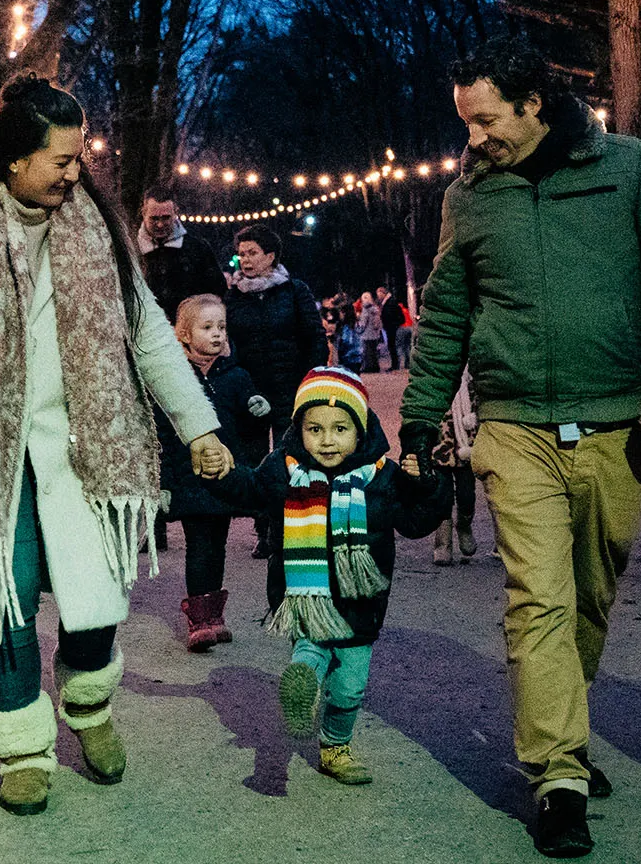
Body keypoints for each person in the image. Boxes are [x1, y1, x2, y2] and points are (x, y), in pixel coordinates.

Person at [399, 36, 641, 858]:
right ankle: (559, 776)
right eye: (466, 123)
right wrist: (419, 420)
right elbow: (442, 317)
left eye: (484, 120)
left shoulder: (629, 167)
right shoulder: (468, 198)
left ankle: (562, 729)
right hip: (514, 427)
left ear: (534, 103)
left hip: (618, 424)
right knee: (537, 597)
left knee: (588, 594)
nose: (473, 139)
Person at [0, 75, 232, 817]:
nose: (76, 174)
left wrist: (199, 426)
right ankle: (24, 746)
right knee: (4, 602)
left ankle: (90, 703)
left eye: (80, 159)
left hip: (88, 448)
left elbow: (149, 335)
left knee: (94, 601)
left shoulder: (96, 226)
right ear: (12, 158)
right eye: (61, 161)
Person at [201, 368, 445, 785]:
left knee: (350, 687)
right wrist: (223, 474)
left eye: (339, 428)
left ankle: (335, 746)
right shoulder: (285, 469)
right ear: (299, 429)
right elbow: (251, 491)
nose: (327, 440)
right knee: (310, 653)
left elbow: (418, 522)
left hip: (361, 604)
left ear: (361, 429)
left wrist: (428, 487)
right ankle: (300, 696)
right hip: (306, 600)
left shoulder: (382, 477)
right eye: (315, 428)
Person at [159, 294, 271, 652]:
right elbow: (161, 429)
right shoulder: (172, 379)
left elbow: (250, 425)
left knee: (217, 545)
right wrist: (163, 482)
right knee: (199, 546)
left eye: (222, 326)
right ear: (183, 335)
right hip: (188, 477)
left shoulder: (236, 375)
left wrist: (258, 408)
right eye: (207, 328)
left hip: (224, 478)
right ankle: (199, 619)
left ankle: (213, 616)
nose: (218, 334)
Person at [225, 224, 328, 556]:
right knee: (255, 461)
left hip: (291, 388)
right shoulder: (234, 296)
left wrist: (309, 381)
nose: (245, 259)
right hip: (251, 392)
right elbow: (230, 345)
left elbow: (314, 338)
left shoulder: (294, 291)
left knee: (292, 457)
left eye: (252, 252)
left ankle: (295, 525)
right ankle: (264, 529)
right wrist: (241, 386)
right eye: (241, 253)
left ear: (270, 255)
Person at [138, 183, 227, 323]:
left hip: (188, 332)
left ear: (176, 213)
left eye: (166, 218)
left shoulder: (198, 248)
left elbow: (217, 292)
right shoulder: (132, 249)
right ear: (143, 213)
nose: (160, 224)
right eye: (154, 218)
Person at [431, 371, 480, 565]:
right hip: (439, 443)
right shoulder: (433, 373)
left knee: (467, 494)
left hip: (466, 442)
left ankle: (464, 526)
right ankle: (442, 544)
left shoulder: (470, 374)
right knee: (442, 496)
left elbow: (480, 399)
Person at [379, 286, 406, 371]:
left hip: (391, 328)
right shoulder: (389, 302)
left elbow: (397, 316)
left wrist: (394, 324)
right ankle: (395, 364)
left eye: (379, 294)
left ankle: (395, 365)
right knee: (392, 346)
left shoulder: (390, 302)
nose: (378, 297)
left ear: (383, 293)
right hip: (390, 327)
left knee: (393, 346)